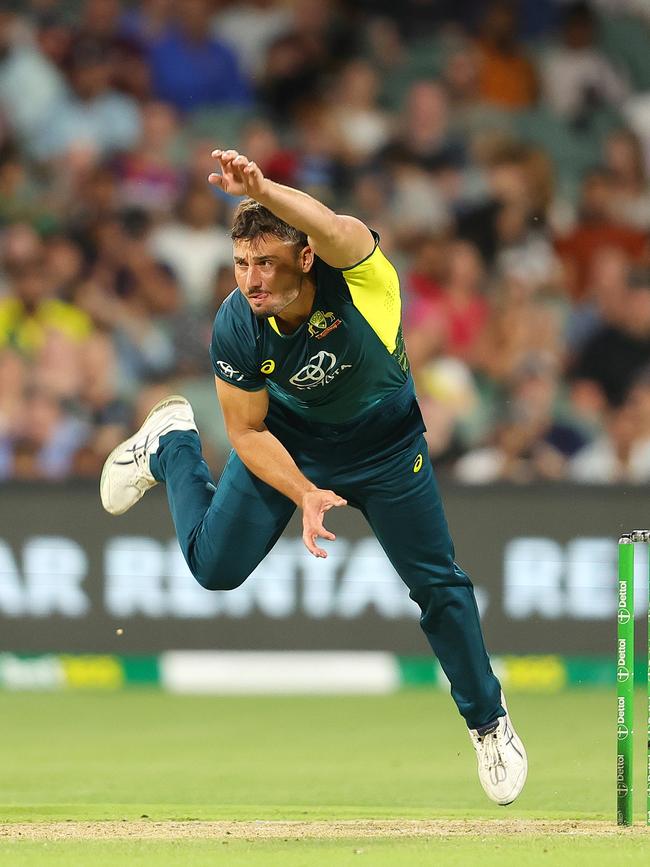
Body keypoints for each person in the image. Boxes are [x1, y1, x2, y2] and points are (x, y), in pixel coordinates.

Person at [100, 148, 527, 806]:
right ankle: (171, 441)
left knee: (438, 586)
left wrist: (264, 188)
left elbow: (331, 225)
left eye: (265, 261)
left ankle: (490, 724)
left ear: (304, 257)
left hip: (387, 447)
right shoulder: (237, 324)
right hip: (292, 445)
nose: (250, 279)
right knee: (213, 568)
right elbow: (245, 431)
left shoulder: (357, 272)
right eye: (241, 263)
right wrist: (302, 490)